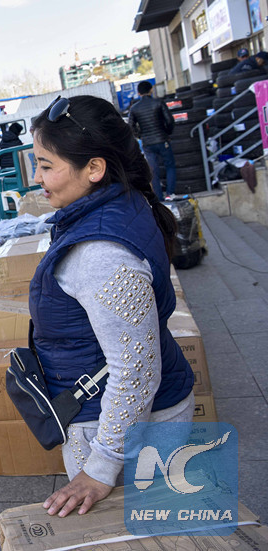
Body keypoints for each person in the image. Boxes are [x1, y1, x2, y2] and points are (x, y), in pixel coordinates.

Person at [28, 95, 195, 517]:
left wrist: (101, 467)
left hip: (121, 428)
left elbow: (136, 369)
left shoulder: (100, 254)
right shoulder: (120, 202)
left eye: (46, 165)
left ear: (94, 168)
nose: (36, 177)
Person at [128, 81, 176, 201]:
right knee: (170, 165)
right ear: (151, 90)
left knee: (153, 171)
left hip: (147, 143)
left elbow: (130, 126)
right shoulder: (159, 103)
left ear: (139, 93)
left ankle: (159, 198)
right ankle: (170, 194)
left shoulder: (134, 108)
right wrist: (167, 133)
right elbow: (169, 120)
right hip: (162, 140)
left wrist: (140, 136)